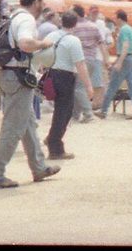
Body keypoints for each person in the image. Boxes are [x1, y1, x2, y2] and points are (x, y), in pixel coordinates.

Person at [0, 0, 61, 189]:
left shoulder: (14, 17)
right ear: (36, 2)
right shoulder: (26, 20)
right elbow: (25, 43)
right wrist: (43, 43)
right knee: (12, 128)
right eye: (41, 3)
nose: (42, 7)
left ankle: (39, 167)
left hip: (10, 75)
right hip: (17, 77)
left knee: (27, 124)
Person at [43, 13, 92, 159]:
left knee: (60, 110)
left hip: (51, 73)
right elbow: (80, 64)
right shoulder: (73, 41)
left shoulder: (51, 36)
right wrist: (88, 86)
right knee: (64, 111)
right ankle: (55, 144)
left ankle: (53, 138)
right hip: (65, 76)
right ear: (75, 24)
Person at [95, 10, 132, 119]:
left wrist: (119, 61)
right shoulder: (130, 29)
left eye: (116, 19)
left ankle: (103, 110)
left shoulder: (124, 30)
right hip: (130, 58)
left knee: (112, 85)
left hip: (124, 58)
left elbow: (125, 46)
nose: (115, 21)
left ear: (120, 19)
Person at [72, 6, 107, 122]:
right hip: (92, 59)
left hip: (80, 61)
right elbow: (101, 44)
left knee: (79, 88)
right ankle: (75, 114)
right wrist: (106, 59)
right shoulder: (93, 26)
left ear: (76, 14)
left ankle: (88, 114)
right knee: (80, 87)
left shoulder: (74, 28)